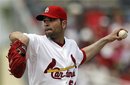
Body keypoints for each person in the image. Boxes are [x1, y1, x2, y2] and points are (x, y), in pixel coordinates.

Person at [8, 5, 128, 85]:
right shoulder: (37, 42)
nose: (46, 23)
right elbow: (13, 35)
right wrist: (22, 38)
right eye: (45, 20)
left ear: (63, 24)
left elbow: (83, 55)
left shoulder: (71, 44)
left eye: (51, 20)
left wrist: (107, 39)